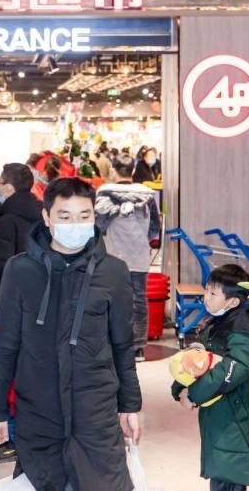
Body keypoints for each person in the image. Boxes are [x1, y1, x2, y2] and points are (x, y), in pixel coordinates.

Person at [0, 178, 143, 491]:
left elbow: (122, 346)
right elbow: (3, 347)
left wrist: (130, 406)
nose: (75, 224)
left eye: (84, 216)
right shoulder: (20, 270)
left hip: (95, 413)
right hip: (38, 414)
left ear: (94, 216)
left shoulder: (113, 272)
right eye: (65, 216)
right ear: (47, 217)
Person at [171, 263, 249, 491]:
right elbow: (200, 360)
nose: (206, 297)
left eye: (213, 293)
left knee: (228, 478)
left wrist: (194, 394)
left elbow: (231, 370)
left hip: (237, 420)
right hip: (223, 416)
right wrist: (180, 387)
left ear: (232, 302)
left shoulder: (243, 330)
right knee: (222, 474)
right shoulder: (220, 322)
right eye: (206, 290)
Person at [95, 154, 161, 361]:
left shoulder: (105, 194)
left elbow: (98, 226)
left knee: (111, 301)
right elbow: (155, 228)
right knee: (138, 301)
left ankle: (113, 344)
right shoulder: (148, 196)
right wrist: (139, 239)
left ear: (113, 170)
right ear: (132, 170)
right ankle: (138, 347)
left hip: (112, 257)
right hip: (139, 257)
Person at [0, 163, 43, 317]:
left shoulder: (7, 220)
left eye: (0, 183)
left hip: (12, 297)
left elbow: (2, 262)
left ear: (9, 188)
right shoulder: (43, 212)